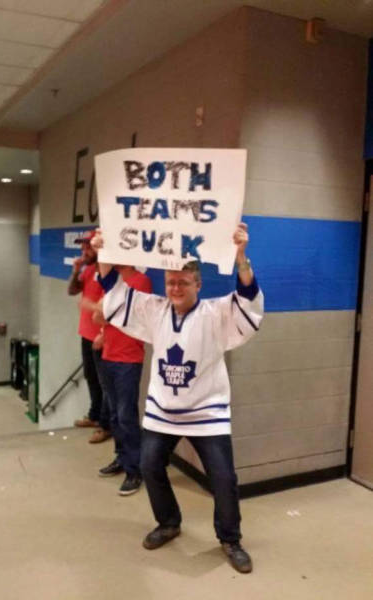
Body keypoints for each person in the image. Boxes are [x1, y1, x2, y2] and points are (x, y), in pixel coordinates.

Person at [91, 223, 263, 574]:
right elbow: (112, 288)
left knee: (223, 478)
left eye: (184, 282)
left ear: (198, 285)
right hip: (163, 410)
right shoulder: (154, 310)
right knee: (149, 465)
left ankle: (230, 539)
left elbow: (247, 298)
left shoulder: (216, 313)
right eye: (171, 282)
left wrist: (241, 256)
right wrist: (103, 251)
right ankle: (168, 522)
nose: (175, 288)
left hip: (207, 412)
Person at [93, 265, 152, 496]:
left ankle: (134, 470)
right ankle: (122, 457)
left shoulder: (140, 281)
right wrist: (104, 321)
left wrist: (105, 314)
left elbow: (114, 314)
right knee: (115, 415)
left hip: (128, 358)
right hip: (109, 353)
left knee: (126, 416)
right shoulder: (114, 283)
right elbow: (99, 315)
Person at [68, 230, 111, 444]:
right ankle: (94, 415)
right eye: (83, 246)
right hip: (86, 333)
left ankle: (105, 425)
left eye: (88, 246)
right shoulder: (88, 269)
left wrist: (92, 306)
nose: (84, 250)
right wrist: (76, 270)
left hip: (101, 337)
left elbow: (112, 304)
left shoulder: (107, 271)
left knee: (105, 383)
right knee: (91, 377)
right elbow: (72, 290)